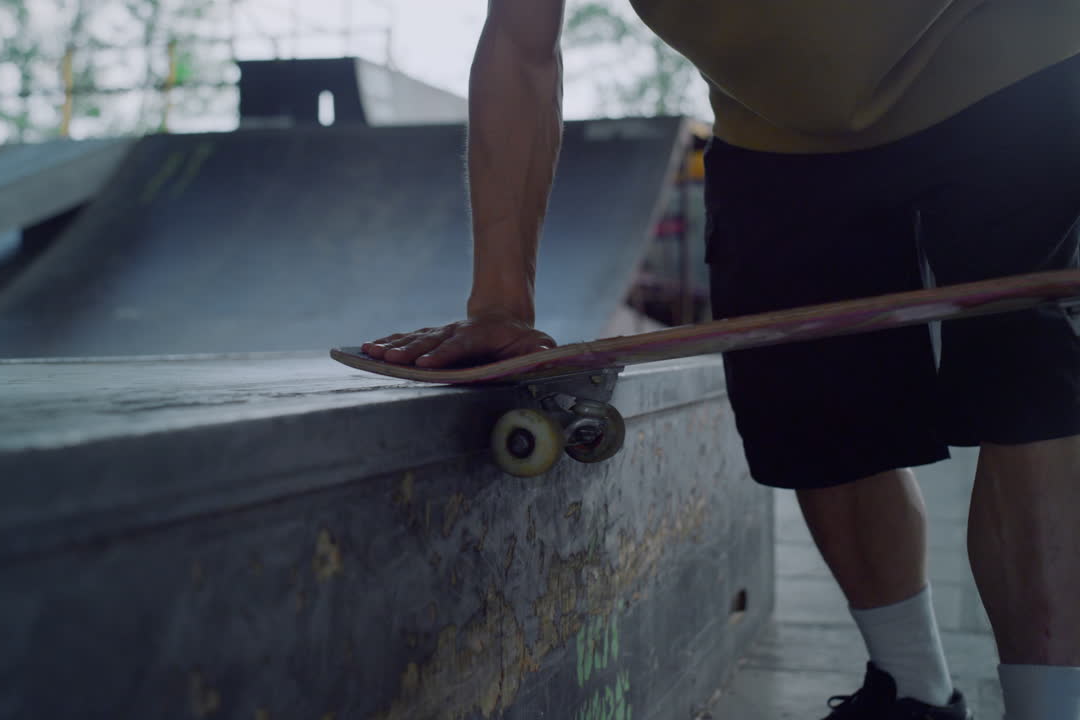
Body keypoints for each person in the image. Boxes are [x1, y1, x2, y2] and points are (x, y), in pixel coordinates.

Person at [361, 0, 1080, 717]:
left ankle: (1052, 707)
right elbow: (521, 45)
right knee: (817, 420)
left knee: (1037, 394)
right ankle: (912, 692)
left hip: (1013, 70)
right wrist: (501, 303)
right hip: (774, 129)